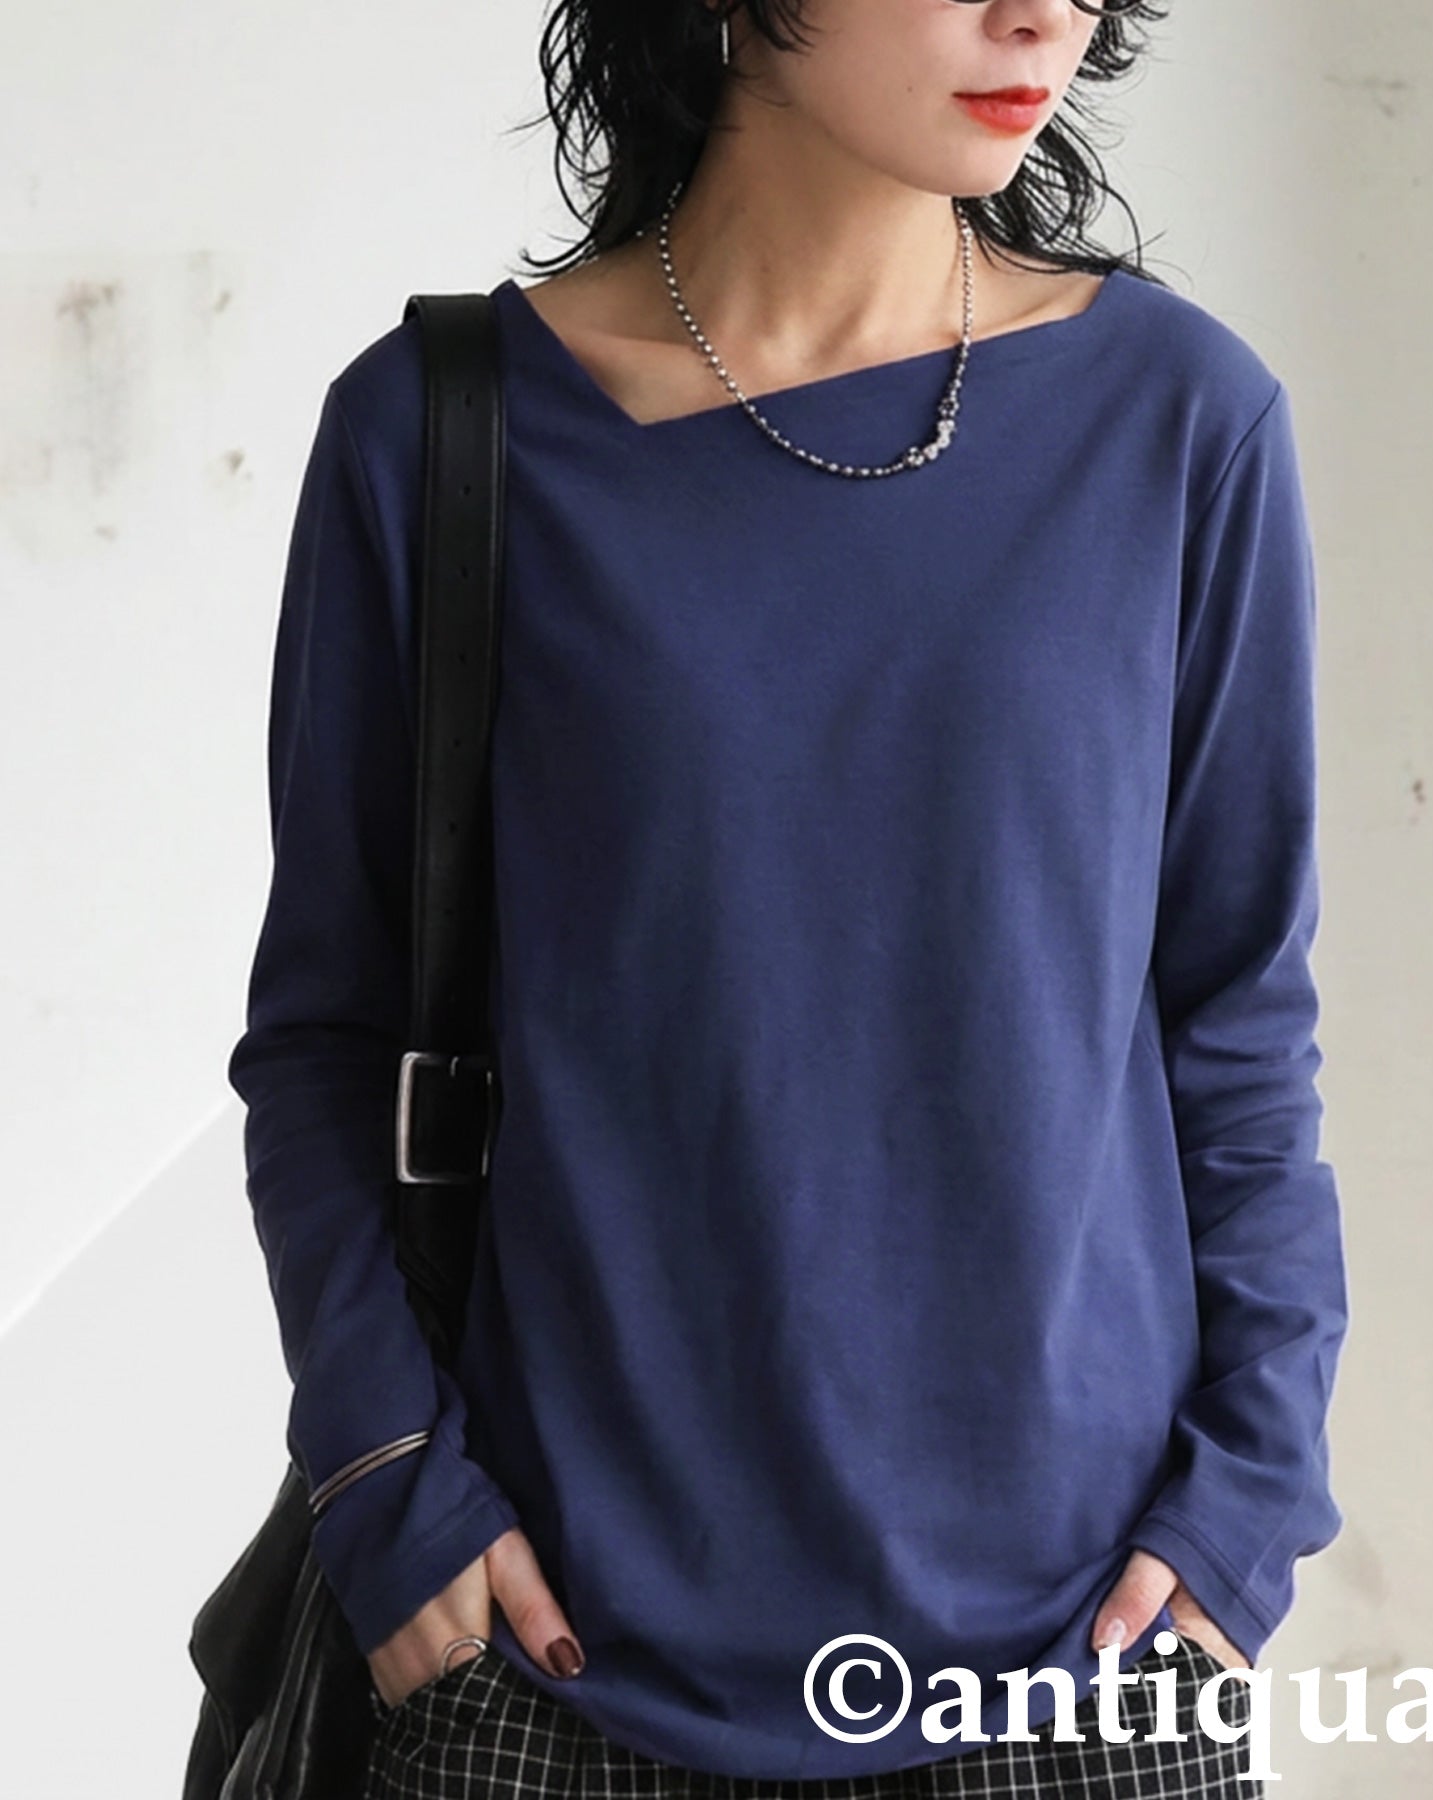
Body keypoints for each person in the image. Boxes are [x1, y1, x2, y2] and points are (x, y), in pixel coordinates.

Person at [225, 1, 1349, 1796]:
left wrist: (1249, 1504)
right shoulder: (441, 434)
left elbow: (1238, 1022)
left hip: (1080, 1670)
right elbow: (329, 1037)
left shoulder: (1181, 424)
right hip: (552, 1669)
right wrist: (386, 1480)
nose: (1042, 13)